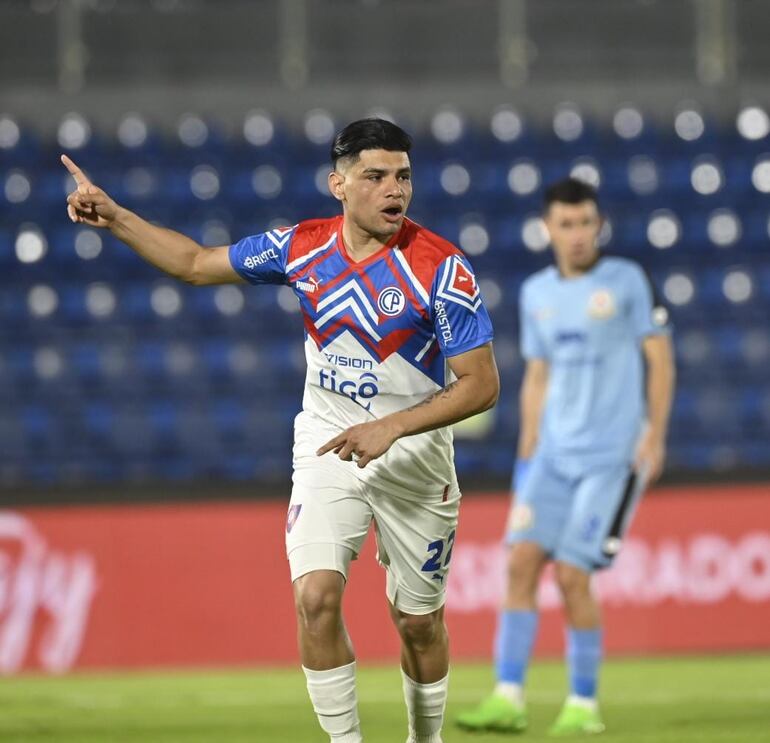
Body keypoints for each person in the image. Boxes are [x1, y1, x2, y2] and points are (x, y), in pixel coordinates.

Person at [62, 118, 499, 743]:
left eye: (402, 176)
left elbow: (481, 385)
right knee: (315, 597)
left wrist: (393, 428)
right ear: (339, 184)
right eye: (374, 176)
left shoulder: (443, 268)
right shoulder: (302, 247)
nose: (393, 190)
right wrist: (117, 217)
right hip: (328, 445)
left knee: (418, 622)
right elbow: (193, 263)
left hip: (415, 460)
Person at [456, 178, 675, 736]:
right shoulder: (536, 293)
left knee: (574, 575)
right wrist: (527, 451)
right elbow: (537, 376)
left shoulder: (626, 280)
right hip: (551, 457)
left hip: (610, 457)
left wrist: (654, 436)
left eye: (586, 224)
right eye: (566, 224)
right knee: (521, 563)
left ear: (598, 226)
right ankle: (508, 697)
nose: (577, 235)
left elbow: (660, 359)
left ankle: (583, 704)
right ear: (548, 228)